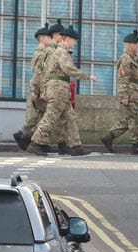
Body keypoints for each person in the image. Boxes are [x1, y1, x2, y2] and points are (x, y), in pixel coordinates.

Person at [27, 25, 96, 156]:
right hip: (59, 88)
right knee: (51, 116)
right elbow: (67, 68)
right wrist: (86, 76)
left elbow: (47, 72)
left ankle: (76, 146)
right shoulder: (61, 52)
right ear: (68, 39)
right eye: (74, 41)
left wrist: (46, 90)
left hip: (60, 88)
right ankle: (35, 143)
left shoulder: (57, 52)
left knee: (70, 117)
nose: (74, 44)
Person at [101, 29, 138, 155]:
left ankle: (109, 137)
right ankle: (135, 146)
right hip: (130, 93)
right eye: (135, 44)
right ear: (129, 44)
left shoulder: (134, 59)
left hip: (135, 92)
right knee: (135, 119)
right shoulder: (126, 59)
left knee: (128, 121)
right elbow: (123, 79)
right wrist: (124, 96)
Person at [13, 23, 52, 150]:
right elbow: (39, 73)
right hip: (40, 88)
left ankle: (24, 136)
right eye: (48, 37)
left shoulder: (43, 52)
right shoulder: (41, 54)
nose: (50, 40)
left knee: (38, 117)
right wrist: (35, 90)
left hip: (40, 87)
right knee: (41, 116)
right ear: (42, 38)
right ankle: (26, 138)